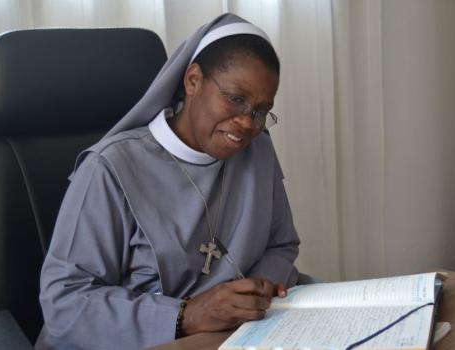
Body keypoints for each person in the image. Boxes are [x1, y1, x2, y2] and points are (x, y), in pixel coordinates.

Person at [35, 13, 300, 350]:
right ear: (192, 80)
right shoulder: (110, 167)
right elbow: (65, 303)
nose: (248, 123)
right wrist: (187, 314)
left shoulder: (258, 151)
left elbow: (281, 245)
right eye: (236, 99)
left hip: (235, 337)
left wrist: (254, 293)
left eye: (262, 111)